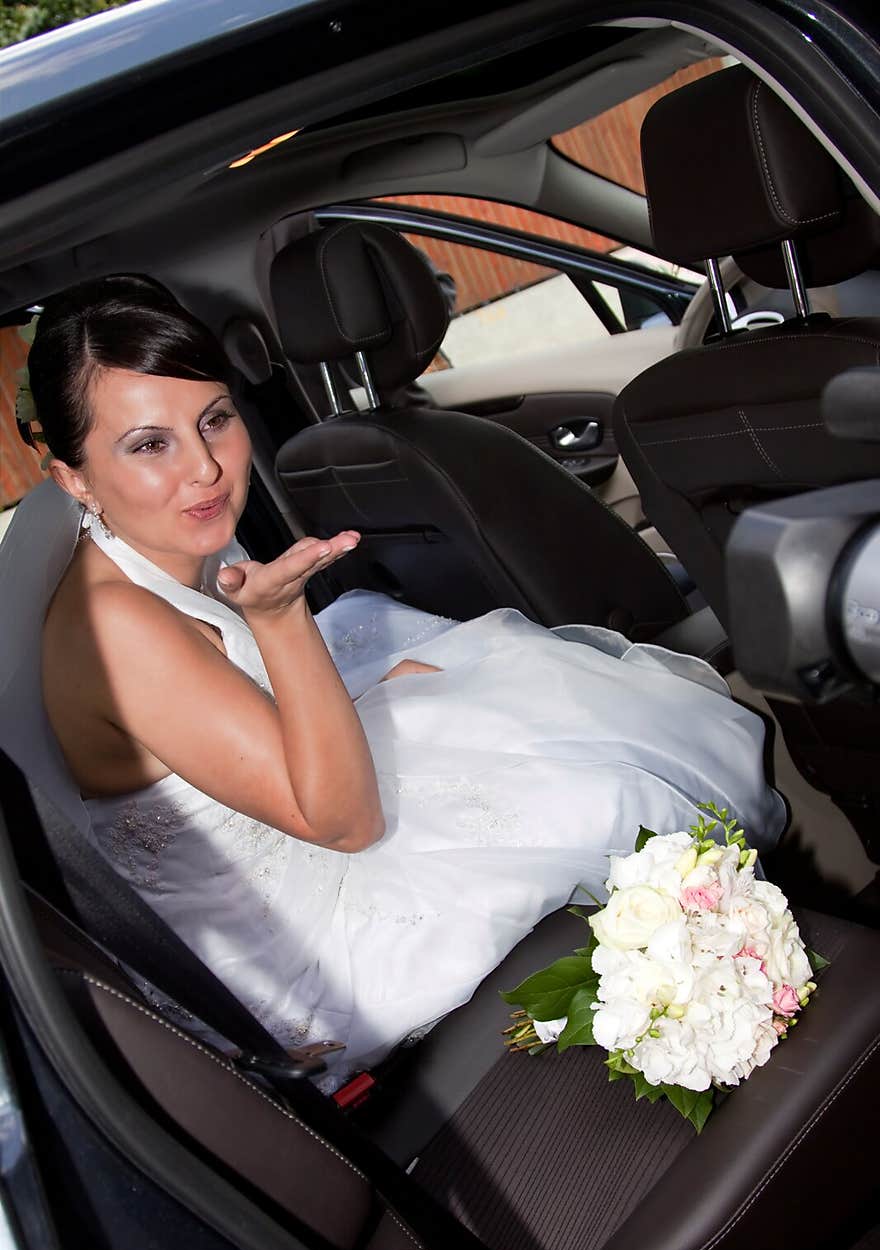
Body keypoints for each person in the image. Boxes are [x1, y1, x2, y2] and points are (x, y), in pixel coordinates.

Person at [19, 275, 785, 1088]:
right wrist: (283, 621)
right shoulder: (118, 628)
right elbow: (342, 822)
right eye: (148, 445)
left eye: (213, 420)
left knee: (508, 699)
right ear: (73, 476)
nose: (205, 468)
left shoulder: (165, 540)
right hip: (301, 955)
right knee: (607, 800)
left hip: (291, 833)